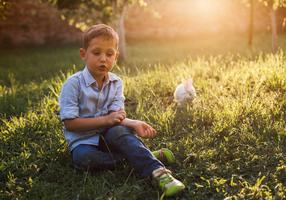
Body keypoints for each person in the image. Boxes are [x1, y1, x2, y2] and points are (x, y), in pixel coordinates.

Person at [59, 24, 185, 197]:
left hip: (109, 134)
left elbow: (116, 118)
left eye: (109, 54)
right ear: (83, 54)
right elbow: (70, 123)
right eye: (96, 53)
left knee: (120, 131)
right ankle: (140, 155)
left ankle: (159, 173)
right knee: (84, 160)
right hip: (84, 142)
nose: (103, 59)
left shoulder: (116, 82)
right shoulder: (73, 84)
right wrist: (106, 120)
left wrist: (133, 123)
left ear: (116, 57)